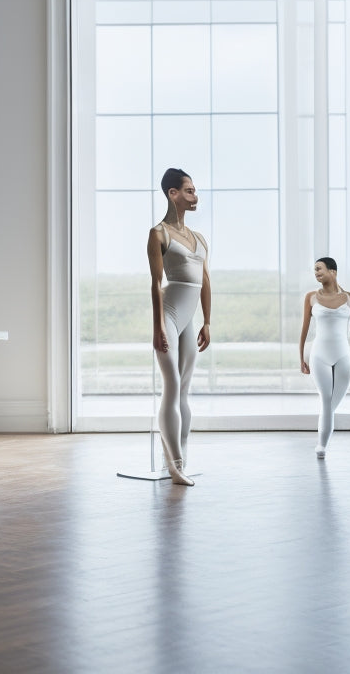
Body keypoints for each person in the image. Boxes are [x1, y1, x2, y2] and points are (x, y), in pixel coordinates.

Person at [147, 168, 211, 485]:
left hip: (190, 320)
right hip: (169, 316)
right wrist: (159, 325)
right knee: (171, 386)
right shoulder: (159, 234)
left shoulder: (198, 239)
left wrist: (208, 322)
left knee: (184, 390)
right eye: (189, 190)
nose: (194, 196)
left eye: (194, 190)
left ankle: (179, 458)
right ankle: (173, 466)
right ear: (173, 193)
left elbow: (205, 282)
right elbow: (156, 284)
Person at [299, 257, 350, 458]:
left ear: (333, 271)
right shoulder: (311, 297)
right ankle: (322, 445)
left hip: (343, 355)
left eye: (319, 269)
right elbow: (304, 329)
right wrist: (301, 357)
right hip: (319, 355)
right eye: (314, 270)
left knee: (332, 403)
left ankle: (322, 439)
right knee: (326, 401)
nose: (316, 272)